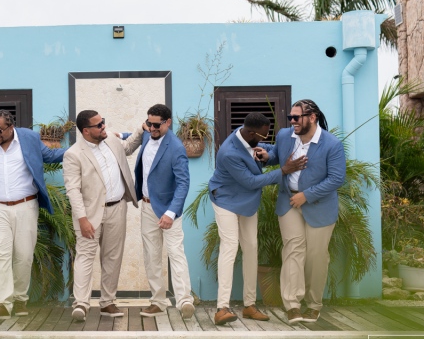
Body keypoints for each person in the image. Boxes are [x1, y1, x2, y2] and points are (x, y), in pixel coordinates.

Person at [0, 109, 65, 320]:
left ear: (11, 127)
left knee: (24, 256)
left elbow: (50, 156)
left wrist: (80, 149)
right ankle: (2, 303)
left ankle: (20, 299)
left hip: (26, 206)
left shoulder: (29, 138)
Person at [208, 112, 307, 325]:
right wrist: (284, 170)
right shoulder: (228, 153)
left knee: (251, 247)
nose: (265, 139)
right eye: (263, 136)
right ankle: (221, 308)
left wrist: (267, 153)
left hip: (246, 202)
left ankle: (249, 305)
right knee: (230, 247)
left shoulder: (248, 139)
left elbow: (270, 150)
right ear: (251, 132)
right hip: (225, 200)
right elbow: (252, 182)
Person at [268, 99, 346, 324]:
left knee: (316, 256)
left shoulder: (331, 144)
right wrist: (265, 155)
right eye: (290, 117)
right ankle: (292, 305)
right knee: (293, 249)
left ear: (312, 118)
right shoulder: (284, 136)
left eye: (296, 117)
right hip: (289, 202)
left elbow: (337, 178)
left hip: (319, 206)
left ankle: (314, 304)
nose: (292, 122)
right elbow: (276, 155)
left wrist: (308, 195)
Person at [122, 104, 195, 320]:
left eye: (156, 125)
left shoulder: (176, 148)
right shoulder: (148, 135)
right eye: (149, 123)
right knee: (151, 256)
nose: (151, 128)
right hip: (146, 206)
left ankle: (184, 301)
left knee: (175, 253)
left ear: (168, 123)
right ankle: (158, 301)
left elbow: (183, 183)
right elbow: (134, 138)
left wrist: (171, 213)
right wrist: (121, 135)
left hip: (168, 210)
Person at [64, 110, 138, 322]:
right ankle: (81, 304)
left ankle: (107, 302)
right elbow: (73, 190)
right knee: (85, 258)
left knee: (112, 257)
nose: (103, 126)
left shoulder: (113, 142)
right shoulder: (73, 154)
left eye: (103, 122)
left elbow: (130, 146)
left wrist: (142, 130)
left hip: (117, 208)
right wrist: (82, 219)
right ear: (86, 131)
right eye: (99, 125)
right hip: (89, 215)